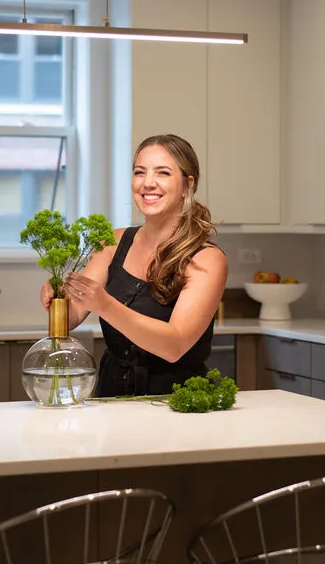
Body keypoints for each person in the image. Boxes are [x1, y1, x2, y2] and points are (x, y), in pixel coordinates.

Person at [39, 133, 228, 397]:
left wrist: (104, 304)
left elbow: (174, 346)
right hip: (111, 395)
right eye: (140, 172)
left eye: (162, 173)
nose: (148, 183)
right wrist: (58, 298)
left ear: (187, 185)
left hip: (174, 400)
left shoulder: (206, 258)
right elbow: (73, 316)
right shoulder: (112, 242)